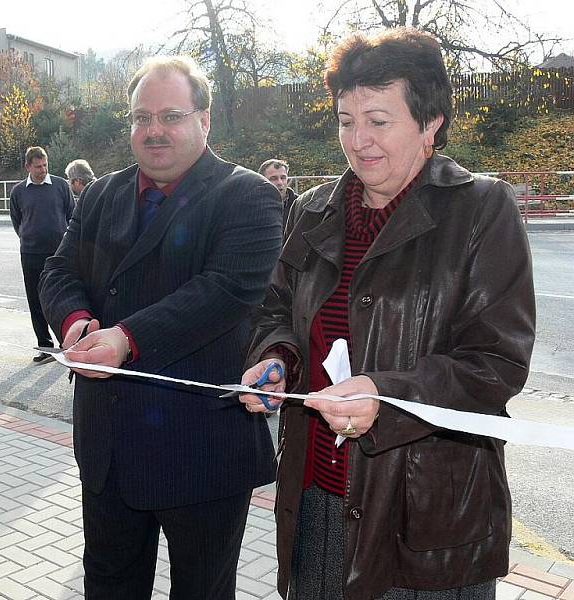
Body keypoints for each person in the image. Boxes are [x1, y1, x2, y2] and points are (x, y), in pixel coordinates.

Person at [240, 28, 535, 600]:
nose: (358, 140)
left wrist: (388, 394)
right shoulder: (312, 210)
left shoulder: (480, 210)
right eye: (346, 121)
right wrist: (277, 360)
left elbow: (496, 362)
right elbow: (273, 310)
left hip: (425, 517)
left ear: (430, 124)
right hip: (319, 500)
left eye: (378, 119)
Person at [40, 56, 282, 599]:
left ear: (205, 120)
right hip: (110, 446)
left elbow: (224, 291)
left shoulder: (248, 196)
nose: (153, 130)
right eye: (140, 117)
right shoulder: (101, 194)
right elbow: (58, 270)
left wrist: (124, 340)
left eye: (171, 115)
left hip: (201, 449)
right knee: (108, 585)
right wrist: (76, 323)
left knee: (201, 590)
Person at [9, 146, 75, 361]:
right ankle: (44, 346)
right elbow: (17, 221)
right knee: (35, 300)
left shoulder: (60, 186)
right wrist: (28, 236)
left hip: (58, 252)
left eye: (45, 165)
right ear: (28, 166)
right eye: (38, 166)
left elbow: (72, 215)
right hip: (30, 253)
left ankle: (67, 344)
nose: (42, 170)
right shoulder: (18, 192)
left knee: (62, 298)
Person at [259, 159, 297, 229]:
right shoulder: (254, 206)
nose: (279, 182)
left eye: (283, 178)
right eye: (273, 178)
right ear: (262, 181)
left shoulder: (299, 205)